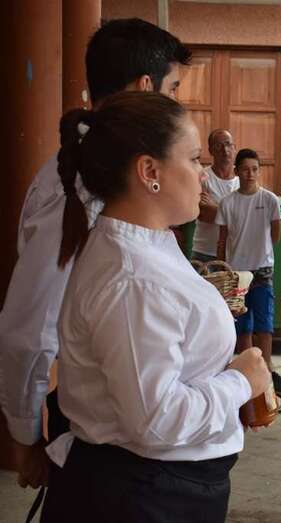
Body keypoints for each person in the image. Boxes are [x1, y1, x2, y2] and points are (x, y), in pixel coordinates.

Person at [40, 91, 270, 521]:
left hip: (159, 485)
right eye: (195, 159)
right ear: (150, 171)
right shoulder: (132, 275)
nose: (204, 175)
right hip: (144, 495)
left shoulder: (152, 241)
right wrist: (239, 384)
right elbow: (155, 417)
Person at [0, 18, 191, 492]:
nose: (178, 103)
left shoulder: (121, 171)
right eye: (174, 88)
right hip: (108, 436)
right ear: (146, 87)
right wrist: (27, 434)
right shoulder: (83, 182)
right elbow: (30, 325)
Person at [216, 148, 281, 400]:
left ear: (258, 171)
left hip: (262, 270)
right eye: (244, 169)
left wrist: (261, 254)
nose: (250, 174)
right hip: (237, 272)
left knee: (264, 323)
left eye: (254, 169)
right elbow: (222, 239)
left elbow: (276, 235)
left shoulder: (270, 200)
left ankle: (268, 372)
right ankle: (244, 373)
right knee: (242, 324)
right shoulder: (228, 202)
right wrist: (224, 266)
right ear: (237, 171)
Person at [191, 129, 239, 261]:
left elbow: (245, 218)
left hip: (234, 253)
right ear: (211, 150)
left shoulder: (243, 180)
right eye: (219, 146)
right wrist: (234, 214)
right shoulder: (202, 176)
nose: (225, 150)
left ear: (235, 148)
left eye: (229, 145)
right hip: (204, 252)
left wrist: (214, 207)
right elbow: (202, 213)